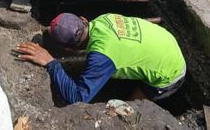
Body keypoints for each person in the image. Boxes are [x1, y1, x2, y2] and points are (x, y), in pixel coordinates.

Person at [17, 13, 186, 104]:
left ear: (68, 49)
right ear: (83, 19)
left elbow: (77, 98)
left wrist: (50, 62)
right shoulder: (104, 19)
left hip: (170, 72)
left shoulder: (101, 56)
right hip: (166, 43)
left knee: (125, 110)